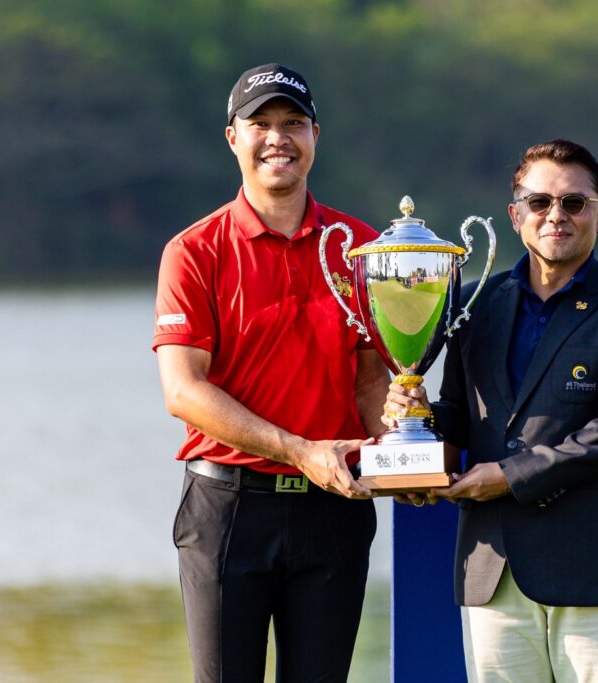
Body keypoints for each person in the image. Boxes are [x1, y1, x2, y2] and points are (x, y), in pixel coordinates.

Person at [384, 139, 598, 683]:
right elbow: (459, 413)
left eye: (574, 203)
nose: (555, 215)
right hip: (492, 568)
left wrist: (508, 476)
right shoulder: (471, 303)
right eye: (539, 202)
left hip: (595, 568)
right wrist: (417, 419)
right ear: (516, 216)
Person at [153, 63, 389, 683]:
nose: (277, 138)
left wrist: (400, 452)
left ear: (316, 137)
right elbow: (184, 391)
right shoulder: (193, 251)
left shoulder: (362, 247)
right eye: (260, 124)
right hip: (229, 510)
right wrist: (299, 450)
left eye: (293, 123)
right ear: (233, 138)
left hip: (334, 510)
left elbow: (372, 380)